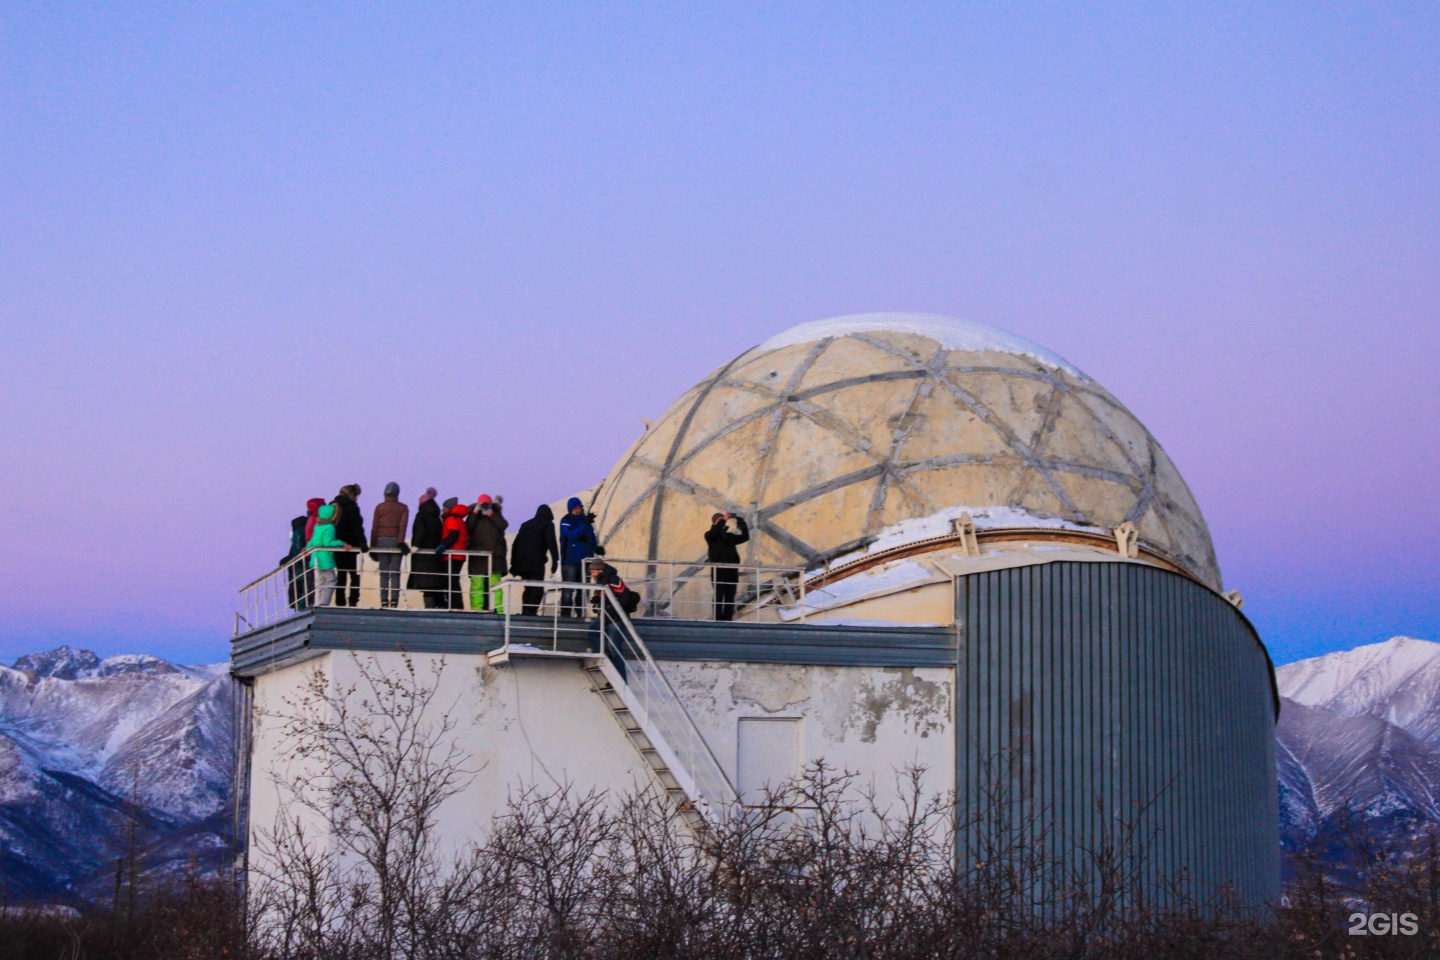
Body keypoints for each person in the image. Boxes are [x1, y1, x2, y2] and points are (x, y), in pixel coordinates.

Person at [509, 504, 559, 616]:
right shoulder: (547, 524)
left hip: (522, 564)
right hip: (536, 563)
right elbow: (552, 543)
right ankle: (531, 612)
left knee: (528, 588)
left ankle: (526, 611)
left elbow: (515, 544)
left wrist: (513, 563)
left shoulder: (525, 525)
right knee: (537, 588)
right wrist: (556, 560)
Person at [370, 482, 410, 608]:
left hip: (381, 541)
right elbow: (402, 527)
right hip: (396, 541)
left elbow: (374, 528)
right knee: (395, 572)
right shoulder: (403, 508)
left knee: (384, 572)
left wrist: (372, 546)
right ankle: (394, 601)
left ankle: (383, 600)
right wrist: (400, 541)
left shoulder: (379, 507)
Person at [705, 511, 750, 621]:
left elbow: (745, 536)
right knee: (718, 598)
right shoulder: (710, 536)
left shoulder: (729, 536)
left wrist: (740, 521)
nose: (723, 522)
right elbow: (715, 532)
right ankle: (717, 620)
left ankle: (727, 620)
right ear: (715, 523)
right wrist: (723, 520)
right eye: (720, 520)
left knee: (730, 599)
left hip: (731, 572)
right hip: (718, 573)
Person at [466, 494, 508, 613]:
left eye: (486, 504)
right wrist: (474, 513)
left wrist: (491, 514)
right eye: (482, 504)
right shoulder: (473, 516)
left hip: (495, 558)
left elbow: (503, 525)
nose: (484, 506)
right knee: (477, 587)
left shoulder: (496, 514)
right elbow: (468, 527)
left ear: (491, 504)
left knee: (496, 587)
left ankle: (498, 611)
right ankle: (477, 611)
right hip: (478, 558)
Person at [407, 488, 447, 608]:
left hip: (423, 557)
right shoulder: (437, 517)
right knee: (435, 588)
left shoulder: (422, 516)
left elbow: (420, 532)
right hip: (435, 557)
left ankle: (429, 612)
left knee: (427, 588)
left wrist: (415, 546)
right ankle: (441, 610)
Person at [558, 498, 597, 617]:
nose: (577, 511)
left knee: (583, 591)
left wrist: (596, 548)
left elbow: (591, 537)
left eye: (579, 508)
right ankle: (565, 616)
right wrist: (585, 525)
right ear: (570, 510)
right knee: (568, 591)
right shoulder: (566, 521)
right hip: (570, 561)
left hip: (586, 561)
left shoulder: (586, 522)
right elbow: (571, 535)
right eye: (575, 509)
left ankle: (580, 614)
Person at [305, 503, 351, 606]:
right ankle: (324, 603)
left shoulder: (317, 526)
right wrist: (341, 543)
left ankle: (318, 602)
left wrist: (306, 549)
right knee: (331, 580)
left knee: (320, 582)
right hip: (325, 559)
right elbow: (328, 543)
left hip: (316, 558)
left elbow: (312, 541)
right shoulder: (330, 527)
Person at [283, 498, 325, 610]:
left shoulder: (304, 526)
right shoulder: (304, 528)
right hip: (303, 564)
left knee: (305, 590)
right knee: (306, 590)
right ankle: (303, 610)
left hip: (302, 564)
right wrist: (305, 556)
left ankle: (302, 610)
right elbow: (299, 548)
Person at [331, 484, 367, 607]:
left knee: (341, 575)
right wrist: (362, 542)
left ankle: (339, 601)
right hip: (351, 546)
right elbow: (356, 527)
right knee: (354, 575)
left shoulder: (333, 505)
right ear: (352, 495)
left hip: (336, 545)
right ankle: (353, 600)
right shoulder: (352, 508)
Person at [436, 498, 470, 611]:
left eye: (444, 507)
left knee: (451, 581)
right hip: (459, 554)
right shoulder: (459, 519)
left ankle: (455, 605)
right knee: (453, 579)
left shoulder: (451, 518)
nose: (442, 509)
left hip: (452, 554)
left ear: (448, 508)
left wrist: (443, 545)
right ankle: (456, 605)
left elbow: (454, 533)